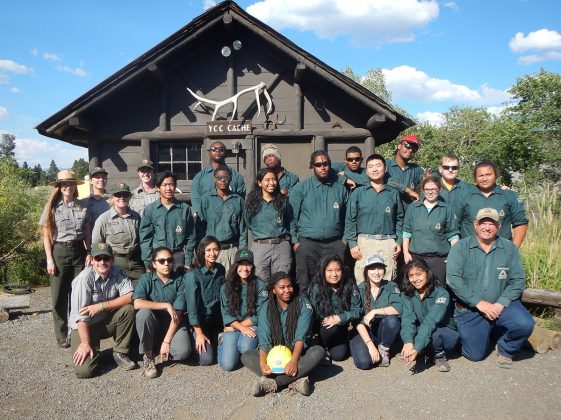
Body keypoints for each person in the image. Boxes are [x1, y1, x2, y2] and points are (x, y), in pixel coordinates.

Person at [446, 208, 534, 368]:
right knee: (474, 355)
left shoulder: (509, 249)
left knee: (524, 324)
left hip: (501, 304)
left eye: (491, 224)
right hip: (472, 308)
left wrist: (500, 303)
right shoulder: (461, 248)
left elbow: (518, 281)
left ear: (499, 226)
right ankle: (486, 330)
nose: (487, 227)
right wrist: (479, 303)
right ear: (475, 225)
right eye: (483, 223)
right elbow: (453, 280)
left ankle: (506, 348)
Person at [240, 272, 325, 397]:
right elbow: (265, 341)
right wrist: (263, 363)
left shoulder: (303, 305)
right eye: (282, 287)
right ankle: (296, 381)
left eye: (290, 286)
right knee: (246, 356)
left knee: (318, 352)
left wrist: (294, 361)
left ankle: (272, 383)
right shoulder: (266, 308)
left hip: (298, 353)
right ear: (273, 290)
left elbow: (300, 338)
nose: (287, 290)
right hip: (275, 355)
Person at [68, 242, 136, 378]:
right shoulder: (84, 279)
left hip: (104, 320)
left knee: (129, 309)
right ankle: (92, 348)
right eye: (98, 258)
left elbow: (130, 296)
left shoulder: (118, 271)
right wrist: (85, 343)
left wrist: (101, 306)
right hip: (84, 326)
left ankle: (120, 352)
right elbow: (80, 317)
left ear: (112, 259)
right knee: (84, 372)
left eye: (106, 258)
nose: (102, 262)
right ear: (91, 260)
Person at [39, 169, 88, 348]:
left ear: (75, 186)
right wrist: (49, 259)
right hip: (59, 251)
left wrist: (88, 251)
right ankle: (61, 334)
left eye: (71, 183)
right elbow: (46, 235)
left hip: (78, 252)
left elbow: (87, 231)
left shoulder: (82, 206)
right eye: (64, 184)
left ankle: (76, 329)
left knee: (78, 293)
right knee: (59, 294)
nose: (68, 187)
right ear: (59, 187)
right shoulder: (51, 207)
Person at [290, 150, 348, 294]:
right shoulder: (301, 188)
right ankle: (307, 312)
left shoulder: (340, 189)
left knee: (335, 282)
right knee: (305, 282)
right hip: (308, 243)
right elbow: (291, 217)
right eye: (318, 164)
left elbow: (349, 218)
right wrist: (295, 241)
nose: (322, 167)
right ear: (312, 166)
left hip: (335, 243)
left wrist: (344, 241)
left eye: (326, 164)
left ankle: (334, 314)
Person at [133, 247, 191, 379]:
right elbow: (137, 303)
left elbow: (178, 313)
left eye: (169, 260)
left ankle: (160, 347)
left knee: (183, 352)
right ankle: (148, 356)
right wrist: (166, 305)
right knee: (143, 314)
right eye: (162, 261)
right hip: (152, 323)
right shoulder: (146, 278)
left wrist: (167, 341)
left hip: (172, 323)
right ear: (154, 263)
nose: (166, 264)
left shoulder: (180, 280)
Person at [344, 153, 403, 284]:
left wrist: (398, 242)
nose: (374, 169)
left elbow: (400, 219)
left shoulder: (393, 193)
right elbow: (350, 220)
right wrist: (353, 244)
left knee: (388, 279)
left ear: (385, 168)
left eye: (378, 165)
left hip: (388, 242)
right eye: (370, 166)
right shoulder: (358, 193)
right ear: (366, 171)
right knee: (362, 279)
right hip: (365, 242)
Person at [400, 258, 458, 372]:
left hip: (443, 331)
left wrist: (416, 347)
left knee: (434, 333)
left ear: (427, 273)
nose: (414, 279)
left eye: (418, 274)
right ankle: (423, 350)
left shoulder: (441, 293)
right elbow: (408, 318)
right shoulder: (407, 294)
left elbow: (430, 321)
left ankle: (439, 355)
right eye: (411, 275)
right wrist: (408, 341)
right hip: (424, 330)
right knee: (408, 330)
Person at [402, 175, 459, 285]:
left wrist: (453, 257)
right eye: (427, 189)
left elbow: (453, 235)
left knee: (438, 289)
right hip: (417, 258)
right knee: (417, 288)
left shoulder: (447, 209)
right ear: (423, 190)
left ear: (439, 190)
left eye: (433, 189)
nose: (430, 192)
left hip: (439, 259)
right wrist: (406, 253)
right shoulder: (413, 208)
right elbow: (406, 232)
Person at [218, 249, 267, 371]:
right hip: (234, 324)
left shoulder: (260, 285)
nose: (245, 268)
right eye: (241, 264)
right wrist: (239, 327)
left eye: (248, 264)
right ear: (235, 266)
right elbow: (227, 313)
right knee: (227, 366)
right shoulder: (226, 287)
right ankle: (223, 343)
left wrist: (239, 327)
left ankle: (245, 350)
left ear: (252, 266)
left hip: (251, 325)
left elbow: (261, 313)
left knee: (245, 347)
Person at [459, 160, 528, 247]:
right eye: (480, 176)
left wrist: (513, 250)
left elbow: (520, 223)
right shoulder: (464, 196)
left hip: (501, 251)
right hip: (470, 253)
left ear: (495, 175)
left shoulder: (509, 195)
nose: (484, 179)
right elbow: (453, 226)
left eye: (488, 175)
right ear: (475, 178)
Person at [350, 255, 402, 369]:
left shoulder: (391, 286)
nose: (377, 272)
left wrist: (374, 311)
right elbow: (356, 320)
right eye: (372, 268)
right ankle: (369, 347)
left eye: (380, 268)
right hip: (363, 331)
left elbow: (399, 308)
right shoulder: (358, 289)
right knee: (364, 363)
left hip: (383, 331)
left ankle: (384, 348)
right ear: (366, 271)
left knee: (392, 321)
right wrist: (369, 345)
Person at [139, 170, 196, 274]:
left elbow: (190, 237)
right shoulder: (150, 210)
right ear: (158, 188)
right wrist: (148, 262)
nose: (168, 188)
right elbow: (145, 239)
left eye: (171, 184)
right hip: (158, 257)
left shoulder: (185, 209)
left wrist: (188, 261)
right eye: (164, 185)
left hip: (178, 257)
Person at [307, 255, 361, 363]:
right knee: (330, 327)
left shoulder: (349, 283)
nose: (334, 274)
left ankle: (334, 345)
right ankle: (321, 346)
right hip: (323, 328)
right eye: (329, 270)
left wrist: (340, 318)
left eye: (338, 270)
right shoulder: (316, 286)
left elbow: (357, 310)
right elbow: (312, 314)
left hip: (341, 325)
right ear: (323, 271)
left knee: (339, 355)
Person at [245, 168, 296, 280]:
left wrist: (292, 241)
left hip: (281, 246)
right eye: (267, 180)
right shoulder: (251, 202)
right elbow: (248, 223)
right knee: (260, 282)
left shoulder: (283, 201)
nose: (271, 183)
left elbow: (290, 221)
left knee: (281, 281)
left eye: (274, 179)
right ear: (259, 183)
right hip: (260, 246)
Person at [185, 236, 226, 365]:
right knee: (206, 360)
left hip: (217, 319)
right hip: (200, 322)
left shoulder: (220, 269)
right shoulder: (193, 275)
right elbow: (192, 308)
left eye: (215, 249)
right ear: (202, 251)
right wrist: (199, 333)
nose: (212, 254)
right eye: (208, 250)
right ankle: (193, 341)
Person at [92, 182, 144, 283]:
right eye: (118, 195)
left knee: (140, 292)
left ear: (130, 197)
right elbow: (97, 245)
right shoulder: (104, 219)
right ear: (112, 197)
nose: (122, 198)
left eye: (125, 195)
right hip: (115, 262)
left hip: (136, 262)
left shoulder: (136, 217)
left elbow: (142, 239)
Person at [199, 165, 247, 271]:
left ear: (230, 179)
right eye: (219, 178)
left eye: (226, 178)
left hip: (232, 249)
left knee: (231, 283)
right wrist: (202, 251)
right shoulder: (206, 199)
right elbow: (201, 227)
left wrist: (242, 252)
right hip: (212, 250)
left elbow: (243, 229)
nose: (223, 180)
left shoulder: (238, 200)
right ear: (214, 179)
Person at [190, 141, 246, 219]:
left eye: (221, 149)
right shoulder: (199, 177)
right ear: (209, 153)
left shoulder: (236, 176)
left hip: (229, 223)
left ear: (225, 153)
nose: (217, 151)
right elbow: (196, 201)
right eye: (214, 149)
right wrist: (206, 220)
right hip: (207, 224)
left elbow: (240, 201)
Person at [385, 135, 425, 209]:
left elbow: (432, 176)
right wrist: (407, 190)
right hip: (389, 213)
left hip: (409, 214)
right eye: (408, 146)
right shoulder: (385, 164)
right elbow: (386, 179)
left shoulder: (416, 169)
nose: (410, 150)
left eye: (414, 149)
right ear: (399, 146)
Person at [437, 153, 471, 219]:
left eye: (454, 168)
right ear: (440, 169)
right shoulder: (431, 187)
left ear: (458, 169)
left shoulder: (467, 188)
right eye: (446, 167)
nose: (450, 170)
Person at [85, 166, 111, 237]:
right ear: (90, 180)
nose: (101, 179)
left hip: (112, 240)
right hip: (94, 242)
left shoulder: (113, 200)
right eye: (97, 177)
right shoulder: (85, 202)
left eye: (103, 177)